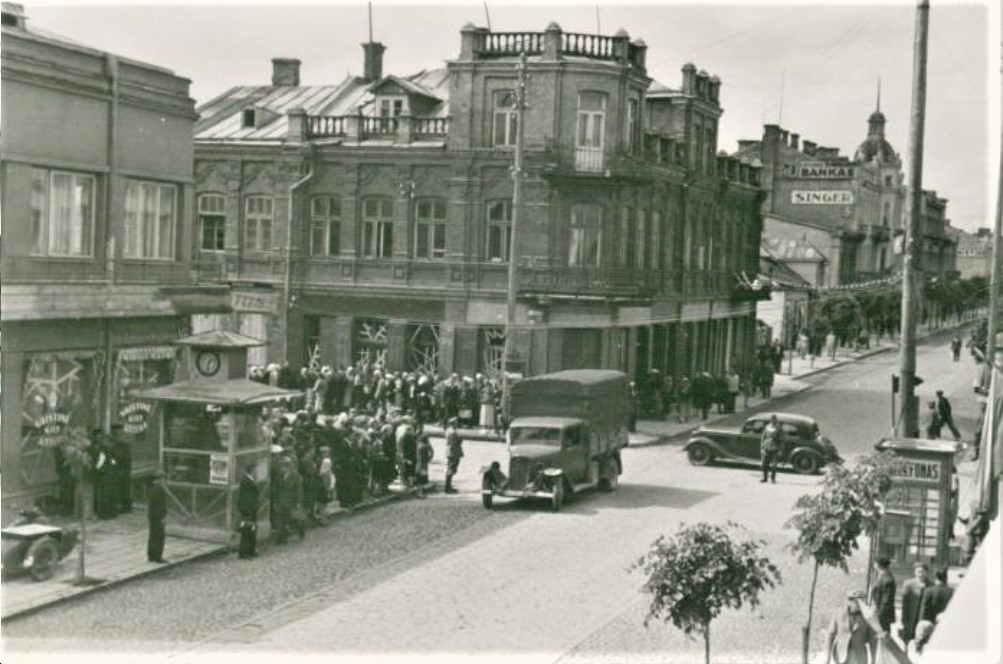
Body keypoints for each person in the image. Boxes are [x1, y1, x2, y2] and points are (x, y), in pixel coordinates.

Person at [824, 589, 878, 664]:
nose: (857, 604)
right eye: (853, 601)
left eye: (861, 601)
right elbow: (830, 635)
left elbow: (873, 641)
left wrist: (874, 660)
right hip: (841, 655)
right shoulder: (838, 613)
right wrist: (827, 657)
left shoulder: (868, 617)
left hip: (859, 657)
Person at [899, 562, 932, 651]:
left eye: (923, 571)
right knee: (908, 640)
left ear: (927, 572)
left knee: (921, 641)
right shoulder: (908, 584)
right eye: (919, 571)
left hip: (923, 618)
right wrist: (904, 619)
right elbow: (905, 604)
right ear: (915, 572)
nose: (921, 574)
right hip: (910, 617)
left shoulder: (931, 585)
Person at [237, 463, 260, 559]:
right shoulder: (246, 481)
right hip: (248, 510)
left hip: (251, 509)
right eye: (255, 470)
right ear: (251, 470)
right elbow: (247, 498)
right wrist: (250, 510)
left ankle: (251, 550)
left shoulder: (249, 480)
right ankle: (245, 552)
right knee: (247, 531)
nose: (256, 472)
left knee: (251, 530)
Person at [108, 423, 132, 514]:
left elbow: (123, 444)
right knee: (120, 487)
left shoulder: (123, 440)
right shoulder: (115, 441)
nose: (116, 432)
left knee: (124, 487)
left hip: (124, 466)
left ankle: (126, 506)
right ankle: (122, 505)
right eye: (115, 430)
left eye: (117, 430)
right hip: (118, 466)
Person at [869, 556, 896, 633]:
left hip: (883, 614)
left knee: (882, 634)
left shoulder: (887, 579)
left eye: (875, 563)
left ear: (878, 565)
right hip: (879, 611)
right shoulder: (881, 576)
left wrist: (879, 615)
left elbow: (886, 600)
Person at [147, 470, 168, 563]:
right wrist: (162, 517)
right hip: (158, 516)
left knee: (152, 535)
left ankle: (151, 555)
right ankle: (157, 556)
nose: (164, 481)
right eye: (163, 479)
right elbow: (160, 505)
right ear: (160, 479)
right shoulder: (159, 489)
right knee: (159, 536)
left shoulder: (152, 488)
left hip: (152, 515)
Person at [760, 414, 781, 484]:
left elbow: (782, 439)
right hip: (767, 447)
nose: (773, 421)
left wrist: (780, 449)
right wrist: (762, 447)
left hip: (775, 447)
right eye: (772, 419)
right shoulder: (767, 427)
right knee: (765, 463)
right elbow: (763, 437)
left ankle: (773, 478)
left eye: (774, 419)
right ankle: (765, 478)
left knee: (774, 464)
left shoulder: (779, 428)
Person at [445, 417, 463, 494]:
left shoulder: (448, 430)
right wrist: (460, 440)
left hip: (450, 451)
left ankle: (448, 486)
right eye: (456, 423)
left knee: (450, 468)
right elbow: (454, 443)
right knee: (451, 469)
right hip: (453, 452)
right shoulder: (452, 432)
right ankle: (447, 487)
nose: (457, 424)